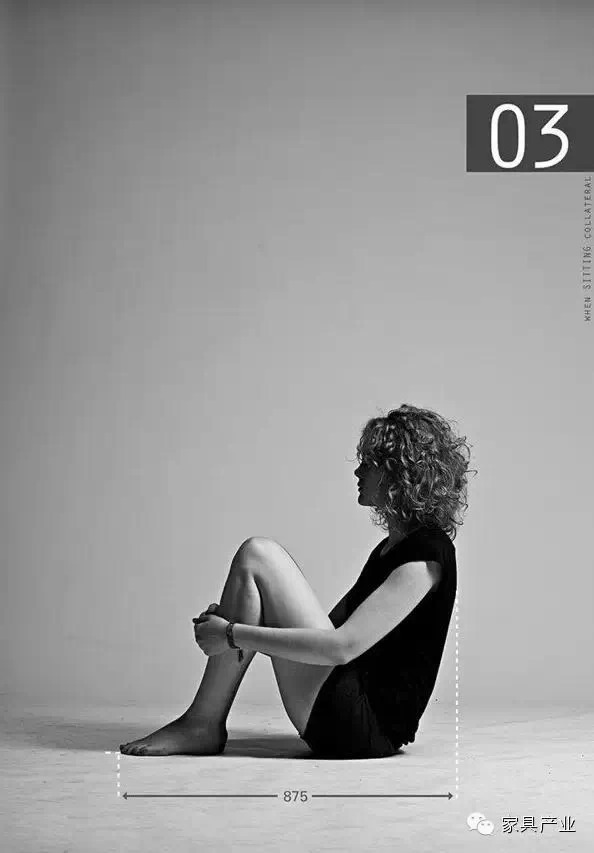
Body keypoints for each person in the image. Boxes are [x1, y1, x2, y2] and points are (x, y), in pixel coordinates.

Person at [120, 403, 474, 758]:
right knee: (254, 565)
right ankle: (202, 725)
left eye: (369, 463)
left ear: (399, 475)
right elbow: (327, 633)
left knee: (258, 554)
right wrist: (235, 619)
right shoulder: (390, 549)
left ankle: (202, 723)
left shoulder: (427, 555)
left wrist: (231, 634)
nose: (358, 471)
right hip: (344, 709)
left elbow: (341, 647)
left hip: (362, 727)